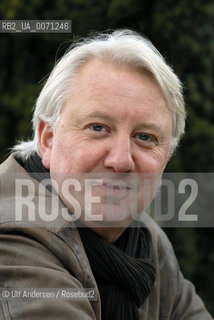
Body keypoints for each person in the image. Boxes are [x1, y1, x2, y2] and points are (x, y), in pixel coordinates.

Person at [0, 30, 212, 320]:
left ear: (166, 160)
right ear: (47, 139)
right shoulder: (11, 233)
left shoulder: (146, 241)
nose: (121, 160)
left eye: (145, 137)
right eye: (98, 128)